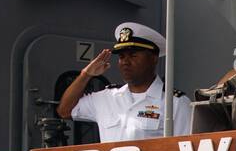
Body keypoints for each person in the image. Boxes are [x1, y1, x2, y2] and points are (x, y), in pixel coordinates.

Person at [57, 22, 191, 141]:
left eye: (133, 55)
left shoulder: (175, 103)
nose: (125, 62)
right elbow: (65, 111)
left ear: (153, 58)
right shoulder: (107, 97)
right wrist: (85, 74)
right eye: (121, 56)